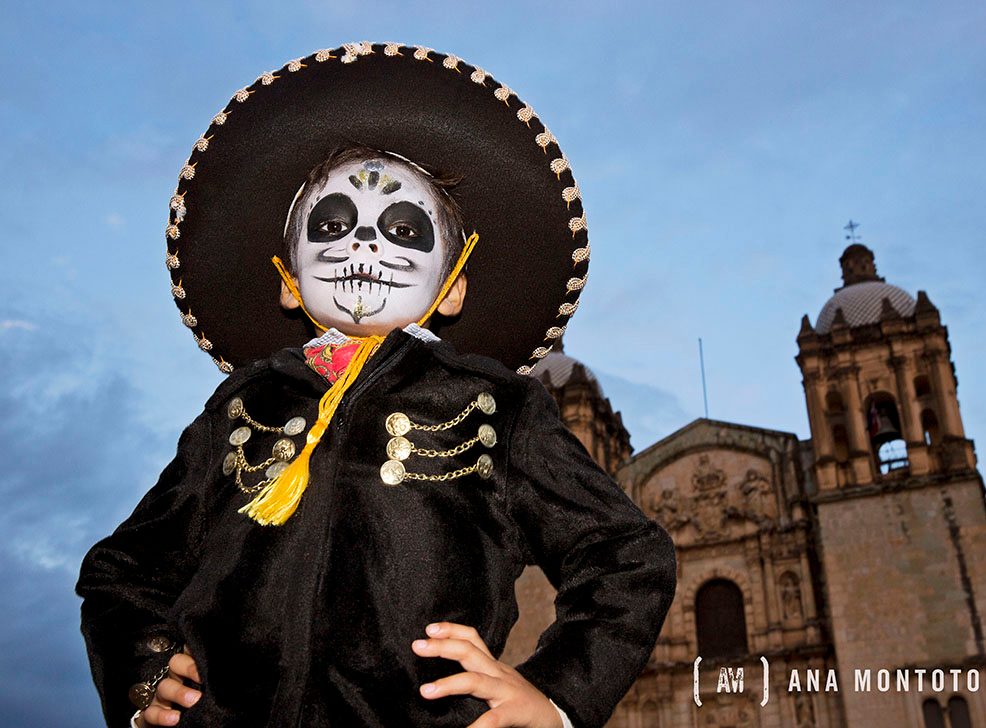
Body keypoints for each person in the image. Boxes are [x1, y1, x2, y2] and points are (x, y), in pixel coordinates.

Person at [76, 44, 676, 728]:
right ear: (288, 277)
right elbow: (123, 570)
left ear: (452, 288)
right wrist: (143, 669)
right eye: (332, 224)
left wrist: (558, 694)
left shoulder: (497, 410)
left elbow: (627, 556)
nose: (364, 245)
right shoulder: (243, 408)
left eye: (403, 229)